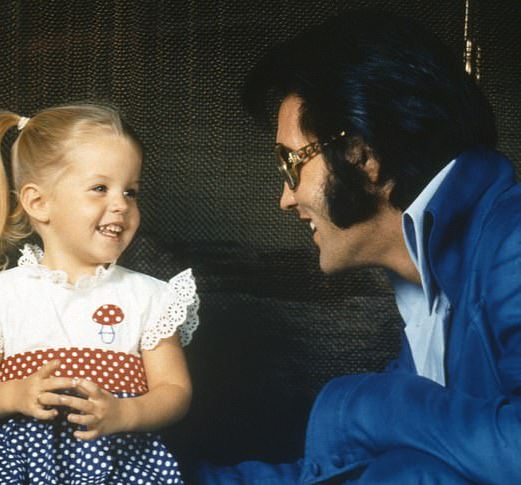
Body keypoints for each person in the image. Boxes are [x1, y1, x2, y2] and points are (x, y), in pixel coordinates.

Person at [197, 10, 521, 485]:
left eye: (291, 164)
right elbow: (335, 473)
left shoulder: (512, 241)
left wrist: (362, 407)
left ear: (361, 155)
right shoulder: (428, 287)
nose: (286, 198)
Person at [0, 104, 200, 484]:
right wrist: (13, 396)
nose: (121, 204)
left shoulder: (149, 297)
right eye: (100, 188)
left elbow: (174, 390)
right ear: (39, 202)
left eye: (131, 192)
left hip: (116, 463)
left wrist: (124, 414)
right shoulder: (0, 297)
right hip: (16, 466)